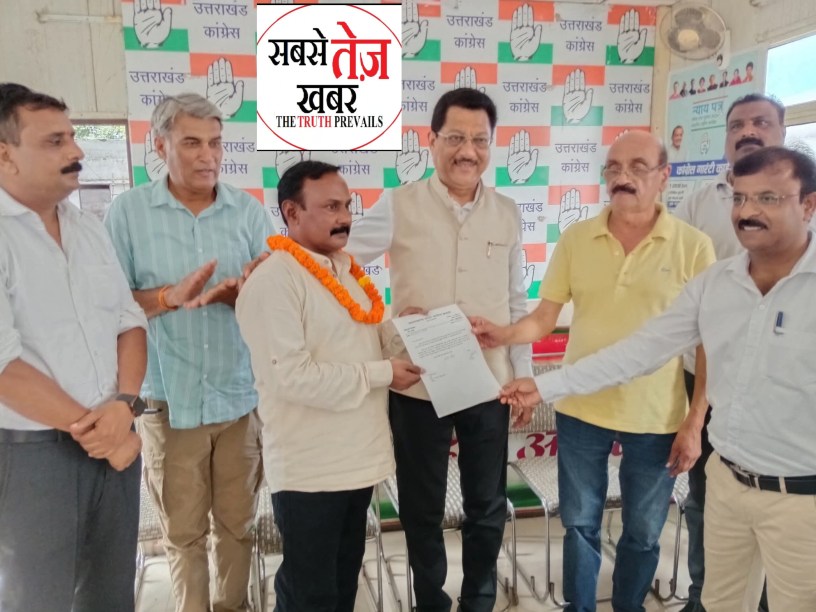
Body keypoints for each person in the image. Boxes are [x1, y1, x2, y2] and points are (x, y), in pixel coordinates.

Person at [501, 145, 816, 612]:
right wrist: (544, 386)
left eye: (768, 198)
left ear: (808, 205)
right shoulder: (717, 284)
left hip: (801, 496)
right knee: (720, 602)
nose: (747, 212)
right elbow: (639, 352)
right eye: (739, 198)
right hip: (728, 483)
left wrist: (692, 420)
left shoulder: (696, 248)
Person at [472, 130, 715, 612]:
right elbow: (545, 318)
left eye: (638, 168)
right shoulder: (577, 238)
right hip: (581, 409)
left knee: (643, 532)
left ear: (664, 176)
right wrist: (504, 334)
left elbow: (709, 343)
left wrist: (695, 419)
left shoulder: (694, 246)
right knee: (579, 524)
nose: (623, 178)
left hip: (657, 416)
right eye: (613, 168)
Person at [346, 87, 532, 612]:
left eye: (480, 140)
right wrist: (387, 329)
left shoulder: (507, 212)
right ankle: (431, 601)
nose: (467, 151)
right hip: (418, 382)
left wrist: (522, 373)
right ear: (431, 141)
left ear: (490, 145)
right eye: (455, 138)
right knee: (421, 507)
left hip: (490, 383)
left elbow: (517, 301)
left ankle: (478, 600)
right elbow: (339, 263)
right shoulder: (399, 204)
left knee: (487, 504)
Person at [105, 93, 274, 612]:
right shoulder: (128, 213)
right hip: (169, 402)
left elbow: (275, 301)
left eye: (216, 143)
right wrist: (166, 297)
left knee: (238, 526)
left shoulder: (248, 212)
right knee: (182, 533)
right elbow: (108, 307)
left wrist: (242, 294)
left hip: (238, 399)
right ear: (160, 146)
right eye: (192, 143)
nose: (208, 156)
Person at [236, 160, 421, 611]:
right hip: (310, 472)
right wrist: (383, 373)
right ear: (292, 212)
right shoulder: (274, 280)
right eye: (331, 207)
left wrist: (404, 330)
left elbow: (358, 338)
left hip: (357, 463)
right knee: (310, 595)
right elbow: (293, 377)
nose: (345, 218)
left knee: (341, 586)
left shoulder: (344, 270)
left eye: (348, 206)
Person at [0, 83, 147, 611]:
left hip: (115, 438)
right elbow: (3, 366)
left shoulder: (87, 226)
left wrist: (124, 407)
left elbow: (129, 322)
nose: (76, 151)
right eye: (55, 141)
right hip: (32, 456)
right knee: (37, 600)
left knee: (111, 596)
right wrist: (99, 431)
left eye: (73, 137)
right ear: (5, 155)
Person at [672, 93, 792, 612]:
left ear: (781, 132)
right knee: (708, 501)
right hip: (705, 378)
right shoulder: (699, 204)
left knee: (777, 507)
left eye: (761, 122)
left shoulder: (804, 202)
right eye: (737, 124)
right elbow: (680, 293)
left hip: (781, 387)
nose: (748, 131)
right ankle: (705, 599)